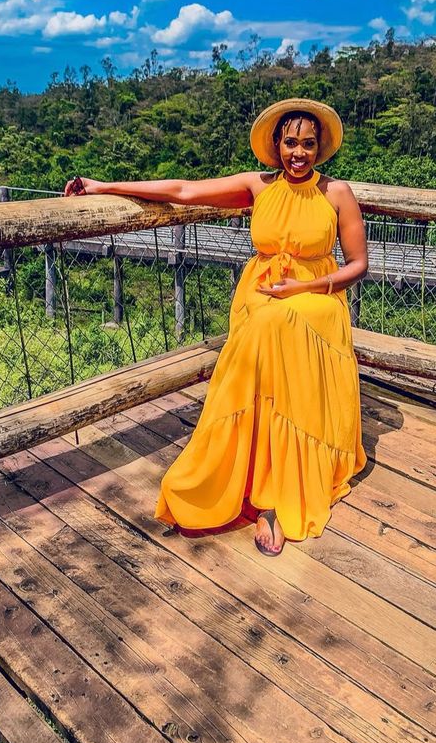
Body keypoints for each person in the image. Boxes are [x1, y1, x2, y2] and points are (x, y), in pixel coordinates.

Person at [64, 97, 368, 556]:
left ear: (319, 147)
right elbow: (184, 190)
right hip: (263, 294)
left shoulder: (336, 192)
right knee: (266, 330)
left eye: (308, 144)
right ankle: (239, 478)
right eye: (290, 143)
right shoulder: (258, 185)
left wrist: (307, 287)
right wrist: (102, 186)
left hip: (317, 299)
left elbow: (359, 264)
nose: (298, 153)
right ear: (276, 145)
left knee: (276, 323)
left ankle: (273, 498)